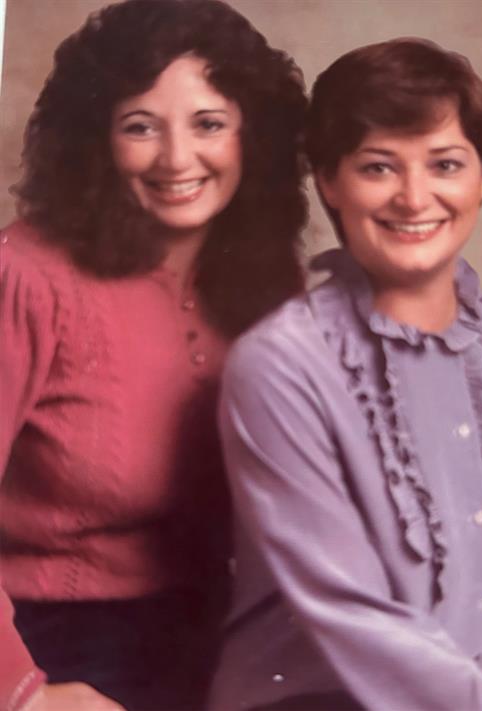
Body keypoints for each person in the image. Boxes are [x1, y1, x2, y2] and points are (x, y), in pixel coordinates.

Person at [208, 38, 482, 711]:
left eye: (445, 164)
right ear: (328, 181)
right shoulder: (280, 364)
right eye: (378, 167)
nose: (414, 198)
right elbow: (352, 616)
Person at [0, 1, 307, 709]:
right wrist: (24, 693)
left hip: (219, 628)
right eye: (140, 125)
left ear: (252, 135)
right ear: (95, 138)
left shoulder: (271, 278)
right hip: (51, 643)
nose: (177, 159)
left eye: (209, 124)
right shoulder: (26, 275)